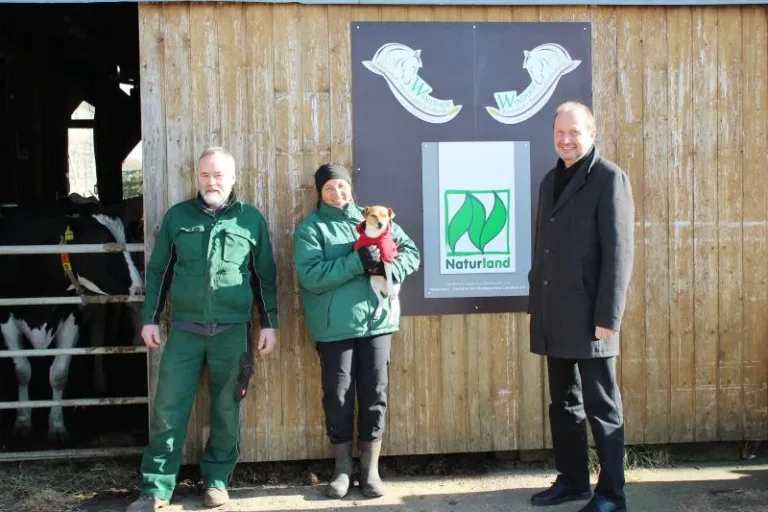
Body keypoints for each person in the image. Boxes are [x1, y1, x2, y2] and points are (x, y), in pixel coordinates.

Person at [126, 147, 279, 512]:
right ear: (197, 177)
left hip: (233, 333)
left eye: (219, 175)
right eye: (206, 175)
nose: (212, 181)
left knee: (226, 410)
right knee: (168, 408)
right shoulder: (179, 217)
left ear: (233, 178)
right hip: (185, 331)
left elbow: (265, 278)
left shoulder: (250, 221)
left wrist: (269, 324)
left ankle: (216, 481)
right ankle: (157, 489)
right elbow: (159, 271)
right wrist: (150, 317)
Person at [527, 102, 634, 512]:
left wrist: (609, 317)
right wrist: (537, 302)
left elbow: (619, 252)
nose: (566, 139)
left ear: (592, 133)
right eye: (560, 132)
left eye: (574, 132)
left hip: (592, 318)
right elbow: (544, 249)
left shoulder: (609, 179)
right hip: (554, 314)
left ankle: (611, 494)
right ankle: (573, 481)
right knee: (564, 404)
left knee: (602, 406)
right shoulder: (548, 181)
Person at [293, 163, 420, 499]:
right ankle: (342, 471)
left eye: (342, 186)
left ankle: (370, 470)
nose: (338, 192)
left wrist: (387, 267)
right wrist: (356, 261)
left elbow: (412, 254)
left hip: (378, 323)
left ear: (351, 189)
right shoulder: (311, 229)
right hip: (334, 327)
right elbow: (311, 276)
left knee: (375, 392)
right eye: (330, 188)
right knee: (338, 395)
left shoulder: (377, 219)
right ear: (319, 193)